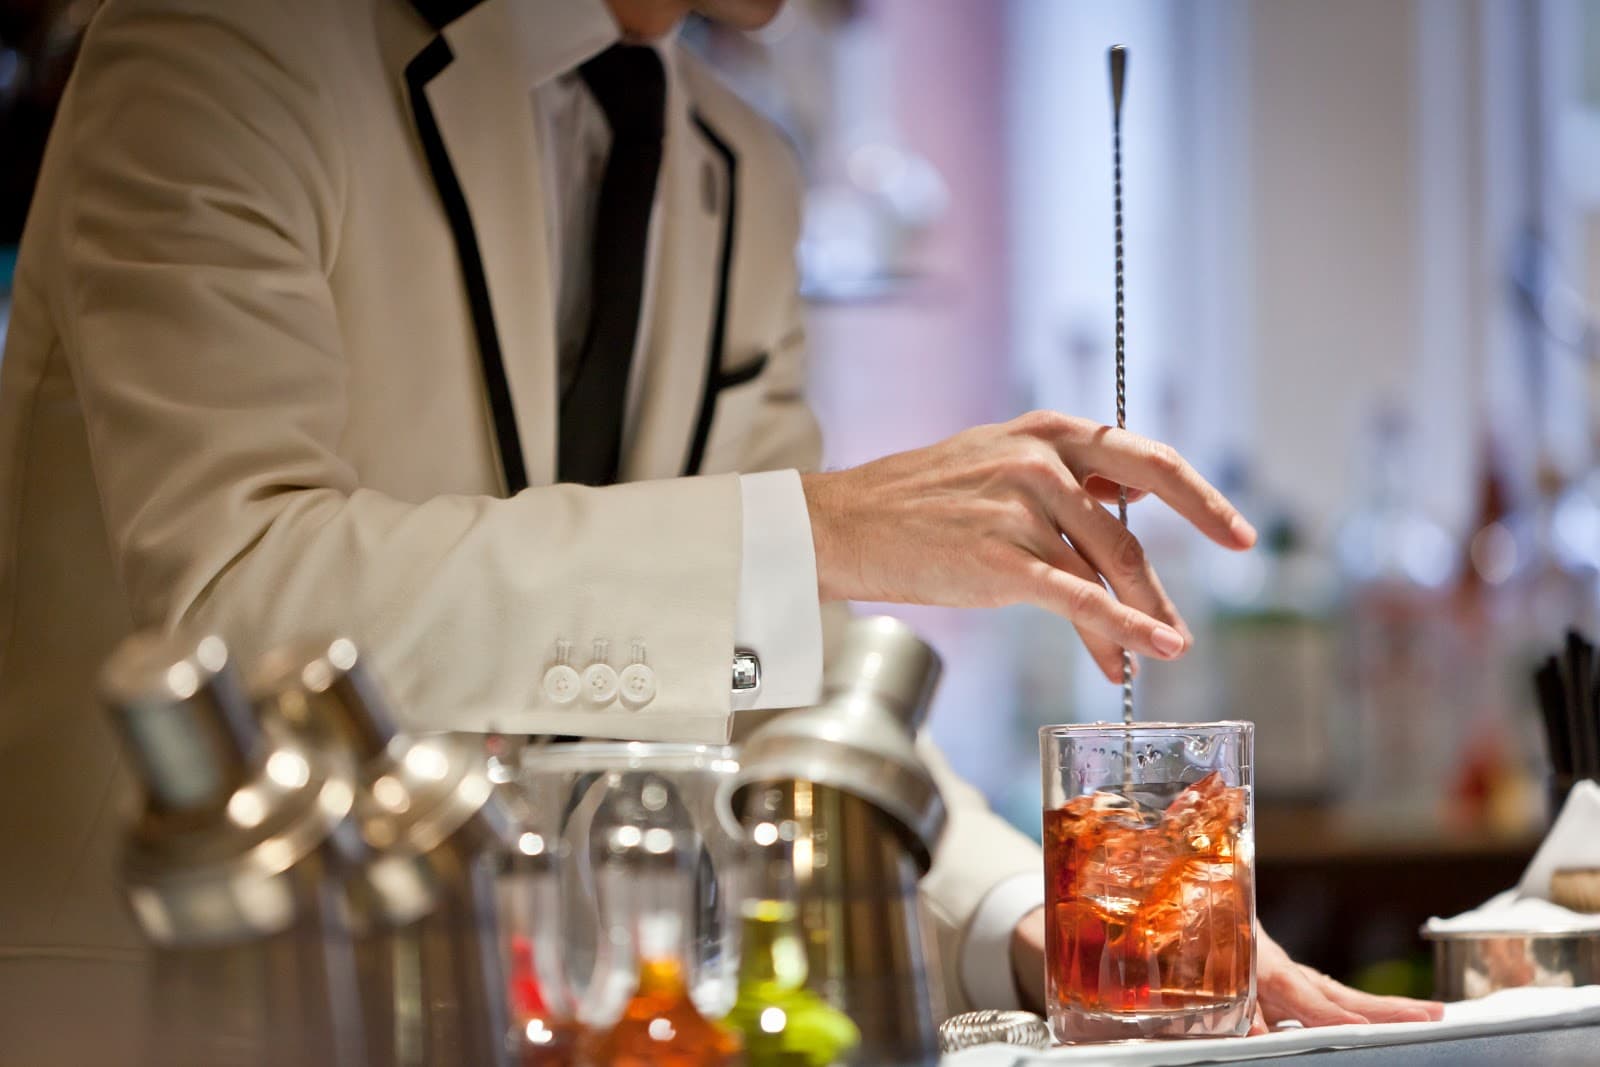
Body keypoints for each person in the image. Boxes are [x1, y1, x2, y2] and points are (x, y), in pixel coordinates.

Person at [0, 0, 1440, 1058]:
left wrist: (1043, 915)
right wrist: (804, 533)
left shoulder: (737, 168)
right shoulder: (221, 56)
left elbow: (771, 691)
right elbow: (239, 603)